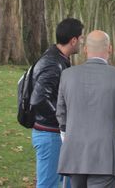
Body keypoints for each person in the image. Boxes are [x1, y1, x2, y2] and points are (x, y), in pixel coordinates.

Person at [56, 30, 115, 188]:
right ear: (110, 49)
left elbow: (61, 114)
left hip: (74, 153)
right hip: (105, 156)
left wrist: (66, 136)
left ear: (85, 49)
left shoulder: (67, 75)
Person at [31, 18, 83, 188]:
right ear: (73, 40)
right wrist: (62, 122)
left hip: (55, 133)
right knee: (49, 184)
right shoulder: (53, 63)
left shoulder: (59, 59)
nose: (82, 42)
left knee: (63, 183)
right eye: (81, 38)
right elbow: (39, 99)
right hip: (50, 134)